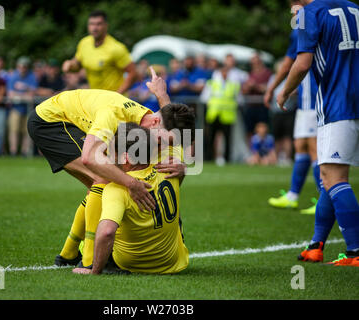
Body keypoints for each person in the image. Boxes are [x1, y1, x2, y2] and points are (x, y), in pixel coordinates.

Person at [27, 67, 194, 268]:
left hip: (76, 120)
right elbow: (90, 158)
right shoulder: (114, 115)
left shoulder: (156, 123)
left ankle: (68, 254)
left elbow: (169, 118)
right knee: (104, 179)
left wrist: (162, 95)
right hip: (51, 122)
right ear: (155, 122)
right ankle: (90, 262)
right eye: (162, 141)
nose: (163, 148)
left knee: (109, 181)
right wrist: (131, 184)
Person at [277, 0, 359, 266]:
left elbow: (302, 64)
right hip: (353, 100)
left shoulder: (310, 13)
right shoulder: (354, 8)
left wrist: (284, 90)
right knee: (328, 176)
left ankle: (356, 253)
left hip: (338, 104)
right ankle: (316, 245)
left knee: (334, 178)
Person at [72, 123, 188, 275]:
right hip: (172, 262)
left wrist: (95, 271)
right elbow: (175, 134)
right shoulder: (169, 168)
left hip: (130, 264)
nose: (109, 157)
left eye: (112, 152)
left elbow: (107, 232)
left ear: (126, 158)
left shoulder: (116, 189)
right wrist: (183, 168)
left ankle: (93, 262)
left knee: (100, 221)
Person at [266, 0, 320, 215]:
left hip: (313, 96)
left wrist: (275, 88)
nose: (291, 8)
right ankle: (293, 195)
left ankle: (324, 199)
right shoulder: (320, 16)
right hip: (310, 97)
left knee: (314, 147)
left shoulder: (306, 21)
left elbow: (291, 62)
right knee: (301, 146)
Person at [62, 10, 136, 94]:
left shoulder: (116, 48)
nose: (94, 28)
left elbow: (133, 73)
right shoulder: (84, 43)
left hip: (114, 101)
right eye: (91, 24)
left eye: (98, 24)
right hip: (96, 99)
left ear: (106, 26)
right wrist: (70, 65)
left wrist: (117, 95)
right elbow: (78, 65)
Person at [200, 61, 241, 166]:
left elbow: (240, 99)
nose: (224, 73)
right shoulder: (212, 83)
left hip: (227, 115)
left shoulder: (234, 85)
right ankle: (209, 158)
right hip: (214, 115)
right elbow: (204, 98)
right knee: (210, 138)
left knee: (227, 139)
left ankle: (227, 159)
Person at [7, 56, 37, 156]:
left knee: (26, 131)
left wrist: (19, 94)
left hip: (28, 109)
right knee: (14, 130)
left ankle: (25, 151)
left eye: (25, 66)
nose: (23, 68)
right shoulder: (13, 77)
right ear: (18, 66)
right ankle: (13, 151)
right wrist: (24, 95)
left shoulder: (31, 76)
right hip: (16, 108)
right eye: (21, 66)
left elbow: (32, 95)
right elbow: (11, 95)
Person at [242, 53, 273, 143]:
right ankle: (252, 152)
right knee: (249, 131)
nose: (255, 64)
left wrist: (255, 86)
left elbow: (268, 88)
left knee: (262, 129)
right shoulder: (249, 74)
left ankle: (263, 151)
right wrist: (247, 88)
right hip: (250, 106)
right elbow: (243, 90)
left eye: (257, 62)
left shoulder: (267, 73)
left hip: (262, 106)